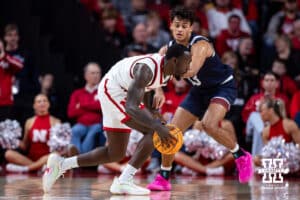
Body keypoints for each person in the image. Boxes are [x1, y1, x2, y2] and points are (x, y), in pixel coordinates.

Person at [42, 43, 191, 195]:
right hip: (114, 90)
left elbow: (145, 88)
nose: (189, 67)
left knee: (115, 153)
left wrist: (151, 111)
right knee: (154, 131)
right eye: (187, 62)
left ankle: (62, 164)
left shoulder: (166, 71)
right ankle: (124, 181)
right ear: (174, 61)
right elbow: (131, 106)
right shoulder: (147, 69)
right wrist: (158, 127)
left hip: (123, 91)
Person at [147, 7, 253, 191]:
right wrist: (159, 91)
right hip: (199, 90)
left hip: (222, 86)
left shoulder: (200, 45)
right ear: (171, 26)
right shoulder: (168, 48)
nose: (180, 29)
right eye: (177, 25)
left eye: (184, 26)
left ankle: (241, 155)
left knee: (209, 125)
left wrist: (170, 66)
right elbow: (157, 70)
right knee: (171, 131)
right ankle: (164, 177)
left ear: (191, 28)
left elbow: (192, 70)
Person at [5, 94, 60, 173]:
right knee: (8, 153)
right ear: (34, 106)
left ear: (48, 104)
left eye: (45, 101)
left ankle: (26, 169)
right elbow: (25, 146)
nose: (42, 103)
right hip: (31, 159)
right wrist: (13, 140)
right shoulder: (29, 122)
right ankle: (39, 168)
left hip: (47, 159)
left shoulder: (56, 122)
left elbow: (58, 148)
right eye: (39, 101)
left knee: (55, 155)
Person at [67, 63, 105, 154]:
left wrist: (82, 105)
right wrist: (94, 105)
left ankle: (78, 158)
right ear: (86, 75)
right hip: (81, 124)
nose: (96, 76)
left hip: (97, 124)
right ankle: (80, 158)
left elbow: (102, 107)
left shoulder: (103, 91)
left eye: (98, 73)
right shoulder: (77, 93)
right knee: (73, 131)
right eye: (93, 73)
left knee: (93, 133)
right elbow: (71, 113)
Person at [254, 98, 300, 166]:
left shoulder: (289, 125)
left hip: (292, 163)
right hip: (276, 164)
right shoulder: (265, 132)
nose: (260, 114)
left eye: (262, 111)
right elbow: (268, 153)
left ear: (271, 111)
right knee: (256, 159)